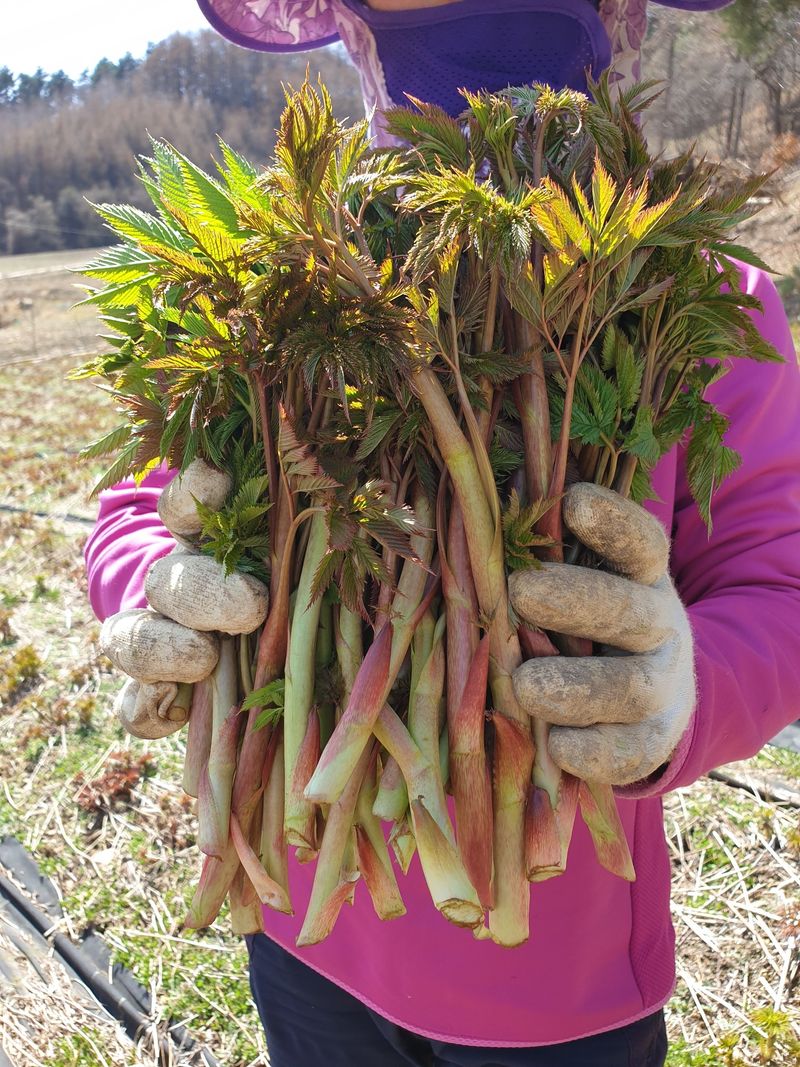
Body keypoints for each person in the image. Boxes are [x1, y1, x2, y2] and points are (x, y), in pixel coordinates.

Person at [84, 1, 800, 1064]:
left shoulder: (690, 291)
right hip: (299, 917)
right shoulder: (291, 270)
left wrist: (687, 685)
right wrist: (152, 582)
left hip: (555, 986)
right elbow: (141, 501)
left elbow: (776, 581)